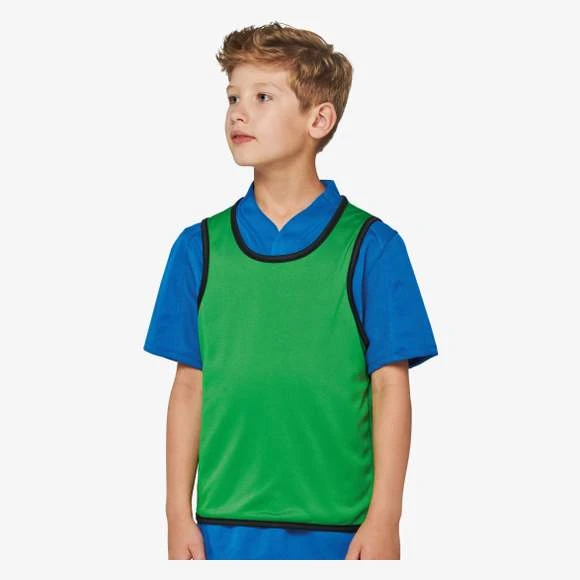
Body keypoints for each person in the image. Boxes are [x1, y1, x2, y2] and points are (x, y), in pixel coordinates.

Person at [143, 21, 438, 560]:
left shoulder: (372, 247)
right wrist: (176, 515)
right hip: (221, 530)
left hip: (342, 532)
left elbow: (389, 388)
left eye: (262, 97)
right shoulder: (198, 248)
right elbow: (188, 388)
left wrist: (385, 518)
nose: (239, 113)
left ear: (318, 119)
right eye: (233, 97)